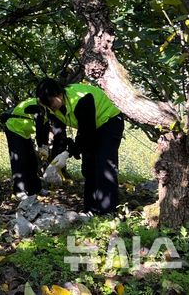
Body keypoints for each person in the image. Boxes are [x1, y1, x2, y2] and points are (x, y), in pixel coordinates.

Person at [36, 78, 124, 215]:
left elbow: (87, 133)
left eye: (51, 101)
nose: (50, 106)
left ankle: (107, 212)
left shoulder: (82, 99)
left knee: (104, 165)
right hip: (89, 126)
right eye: (46, 104)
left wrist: (69, 153)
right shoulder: (52, 109)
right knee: (88, 167)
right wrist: (56, 159)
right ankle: (91, 210)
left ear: (58, 93)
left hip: (109, 123)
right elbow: (60, 134)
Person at [0, 98, 51, 197]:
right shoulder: (39, 106)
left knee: (31, 161)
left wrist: (44, 146)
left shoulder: (47, 108)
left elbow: (45, 128)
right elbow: (40, 128)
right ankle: (19, 191)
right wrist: (41, 146)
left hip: (24, 132)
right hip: (14, 128)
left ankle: (35, 189)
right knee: (19, 160)